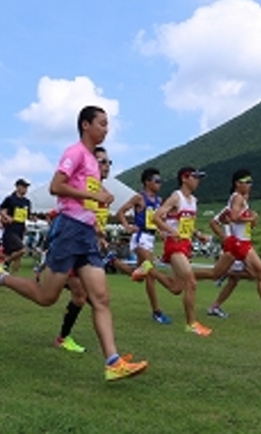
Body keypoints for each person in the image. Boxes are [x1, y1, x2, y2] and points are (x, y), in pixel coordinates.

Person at [0, 105, 148, 381]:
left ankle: (113, 361)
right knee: (46, 297)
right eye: (102, 123)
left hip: (87, 234)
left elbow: (86, 194)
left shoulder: (91, 161)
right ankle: (0, 276)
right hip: (69, 230)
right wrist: (92, 196)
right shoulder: (75, 152)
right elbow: (56, 187)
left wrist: (101, 196)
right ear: (86, 125)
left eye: (107, 123)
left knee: (100, 297)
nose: (106, 128)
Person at [132, 166, 213, 336]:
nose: (198, 180)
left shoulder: (193, 201)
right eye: (195, 177)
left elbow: (187, 225)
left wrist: (198, 234)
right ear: (185, 178)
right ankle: (191, 324)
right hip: (174, 246)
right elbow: (156, 217)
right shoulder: (177, 197)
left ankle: (149, 269)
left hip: (186, 245)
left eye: (199, 178)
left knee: (176, 288)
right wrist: (171, 231)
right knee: (191, 282)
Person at [53, 145, 113, 353]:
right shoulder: (85, 180)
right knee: (50, 295)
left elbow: (89, 215)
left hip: (85, 244)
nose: (107, 166)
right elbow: (61, 200)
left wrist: (99, 233)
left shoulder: (103, 192)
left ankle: (111, 358)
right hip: (69, 239)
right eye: (102, 161)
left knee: (86, 296)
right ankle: (1, 277)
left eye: (109, 162)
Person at [209, 169, 261, 320]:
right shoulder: (235, 200)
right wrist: (225, 237)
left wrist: (252, 221)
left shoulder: (243, 203)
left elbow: (241, 222)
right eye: (247, 182)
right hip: (237, 245)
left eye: (251, 182)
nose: (250, 185)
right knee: (260, 274)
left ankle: (215, 304)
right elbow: (218, 221)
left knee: (238, 279)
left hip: (241, 244)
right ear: (238, 184)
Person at [116, 167, 171, 324]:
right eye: (157, 181)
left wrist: (161, 230)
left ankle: (113, 261)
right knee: (150, 272)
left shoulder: (159, 201)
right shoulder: (139, 197)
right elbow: (120, 212)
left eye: (160, 181)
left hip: (151, 238)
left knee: (139, 276)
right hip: (140, 238)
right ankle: (157, 312)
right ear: (147, 182)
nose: (160, 183)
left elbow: (158, 220)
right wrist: (127, 226)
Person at [0, 178, 32, 275]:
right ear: (17, 187)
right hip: (10, 229)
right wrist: (6, 217)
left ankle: (11, 276)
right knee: (21, 250)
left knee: (16, 256)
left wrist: (32, 218)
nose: (25, 189)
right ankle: (6, 262)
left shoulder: (27, 202)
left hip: (20, 229)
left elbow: (27, 216)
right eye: (24, 187)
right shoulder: (10, 199)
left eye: (27, 187)